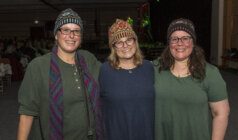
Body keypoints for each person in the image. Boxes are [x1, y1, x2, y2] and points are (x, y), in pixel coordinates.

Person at [17, 8, 103, 140]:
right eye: (65, 30)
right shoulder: (38, 66)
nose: (71, 35)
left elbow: (112, 75)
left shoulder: (88, 59)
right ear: (56, 35)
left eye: (76, 31)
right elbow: (27, 113)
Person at [154, 18, 230, 140]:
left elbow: (221, 113)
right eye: (174, 39)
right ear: (169, 43)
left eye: (185, 38)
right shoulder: (155, 69)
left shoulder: (210, 73)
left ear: (193, 42)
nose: (180, 43)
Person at [99, 19, 155, 140]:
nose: (125, 46)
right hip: (116, 135)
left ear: (135, 42)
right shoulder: (104, 71)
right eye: (119, 42)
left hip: (147, 135)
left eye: (129, 40)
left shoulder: (149, 68)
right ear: (113, 47)